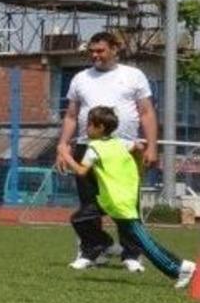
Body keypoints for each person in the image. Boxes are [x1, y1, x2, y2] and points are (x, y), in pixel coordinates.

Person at [59, 106, 195, 289]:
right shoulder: (120, 143)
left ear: (100, 127)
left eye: (90, 124)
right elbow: (139, 147)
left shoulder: (94, 148)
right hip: (113, 200)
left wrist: (66, 155)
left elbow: (82, 171)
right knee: (80, 218)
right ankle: (104, 243)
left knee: (144, 243)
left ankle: (181, 268)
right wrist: (138, 168)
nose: (86, 128)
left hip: (119, 203)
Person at [55, 32, 158, 272]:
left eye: (100, 50)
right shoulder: (80, 78)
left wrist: (152, 146)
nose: (95, 55)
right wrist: (63, 145)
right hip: (87, 147)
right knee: (88, 204)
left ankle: (131, 255)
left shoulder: (133, 75)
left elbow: (146, 113)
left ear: (114, 49)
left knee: (126, 203)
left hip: (123, 148)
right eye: (92, 51)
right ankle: (93, 251)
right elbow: (71, 116)